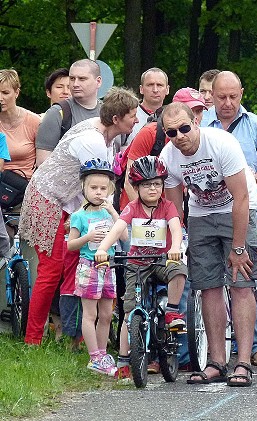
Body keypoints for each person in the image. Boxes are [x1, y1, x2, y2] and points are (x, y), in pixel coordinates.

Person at [19, 87, 139, 345]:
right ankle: (33, 339)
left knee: (75, 264)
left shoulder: (104, 134)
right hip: (47, 199)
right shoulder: (92, 140)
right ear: (117, 119)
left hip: (66, 201)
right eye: (132, 115)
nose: (136, 120)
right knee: (51, 270)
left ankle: (77, 335)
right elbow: (94, 191)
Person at [159, 102, 257, 387]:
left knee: (241, 282)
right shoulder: (168, 157)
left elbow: (241, 197)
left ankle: (243, 362)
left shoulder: (221, 143)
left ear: (196, 121)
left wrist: (239, 248)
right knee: (207, 286)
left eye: (184, 127)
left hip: (237, 208)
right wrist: (179, 242)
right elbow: (174, 208)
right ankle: (216, 361)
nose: (179, 135)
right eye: (171, 132)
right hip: (201, 213)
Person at [209, 70, 257, 366]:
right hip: (209, 208)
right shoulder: (200, 124)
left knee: (249, 275)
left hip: (246, 207)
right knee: (210, 279)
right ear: (211, 96)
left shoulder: (256, 125)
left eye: (233, 97)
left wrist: (249, 179)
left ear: (242, 94)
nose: (227, 103)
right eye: (221, 97)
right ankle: (208, 350)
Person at [95, 156, 188, 382]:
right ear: (136, 188)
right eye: (146, 185)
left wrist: (175, 247)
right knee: (129, 312)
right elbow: (118, 228)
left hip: (162, 260)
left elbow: (175, 229)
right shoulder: (132, 207)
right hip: (137, 263)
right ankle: (124, 361)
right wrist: (102, 249)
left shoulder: (167, 207)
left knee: (179, 270)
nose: (152, 188)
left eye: (157, 183)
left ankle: (172, 311)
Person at [67, 159, 125, 376]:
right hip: (89, 267)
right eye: (94, 188)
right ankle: (94, 357)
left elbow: (125, 235)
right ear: (84, 188)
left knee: (107, 314)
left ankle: (102, 352)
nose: (98, 193)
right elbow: (70, 245)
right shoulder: (79, 216)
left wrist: (114, 213)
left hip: (107, 267)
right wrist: (87, 237)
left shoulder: (108, 213)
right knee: (90, 314)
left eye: (103, 189)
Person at [122, 87, 207, 207]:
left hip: (170, 209)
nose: (196, 116)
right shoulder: (150, 133)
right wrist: (146, 217)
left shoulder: (203, 141)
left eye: (199, 111)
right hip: (137, 211)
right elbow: (129, 182)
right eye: (189, 110)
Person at [36, 59, 102, 166]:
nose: (75, 84)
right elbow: (43, 162)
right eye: (72, 79)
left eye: (82, 79)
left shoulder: (109, 113)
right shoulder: (57, 113)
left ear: (98, 81)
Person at [0, 69, 41, 179]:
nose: (0, 98)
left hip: (24, 185)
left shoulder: (34, 121)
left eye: (5, 93)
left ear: (16, 93)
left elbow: (44, 162)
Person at [125, 68, 170, 144]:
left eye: (159, 85)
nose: (155, 90)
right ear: (141, 89)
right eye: (150, 85)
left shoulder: (173, 118)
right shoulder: (128, 115)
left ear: (167, 89)